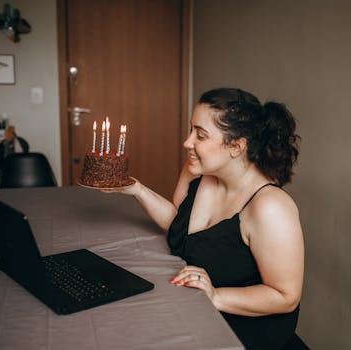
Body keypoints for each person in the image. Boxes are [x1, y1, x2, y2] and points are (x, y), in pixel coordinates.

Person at [104, 88, 304, 350]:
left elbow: (285, 296)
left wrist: (215, 295)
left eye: (200, 135)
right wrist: (137, 189)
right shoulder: (199, 171)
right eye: (191, 131)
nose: (187, 143)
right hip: (193, 315)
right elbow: (180, 225)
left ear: (236, 146)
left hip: (243, 336)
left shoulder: (270, 208)